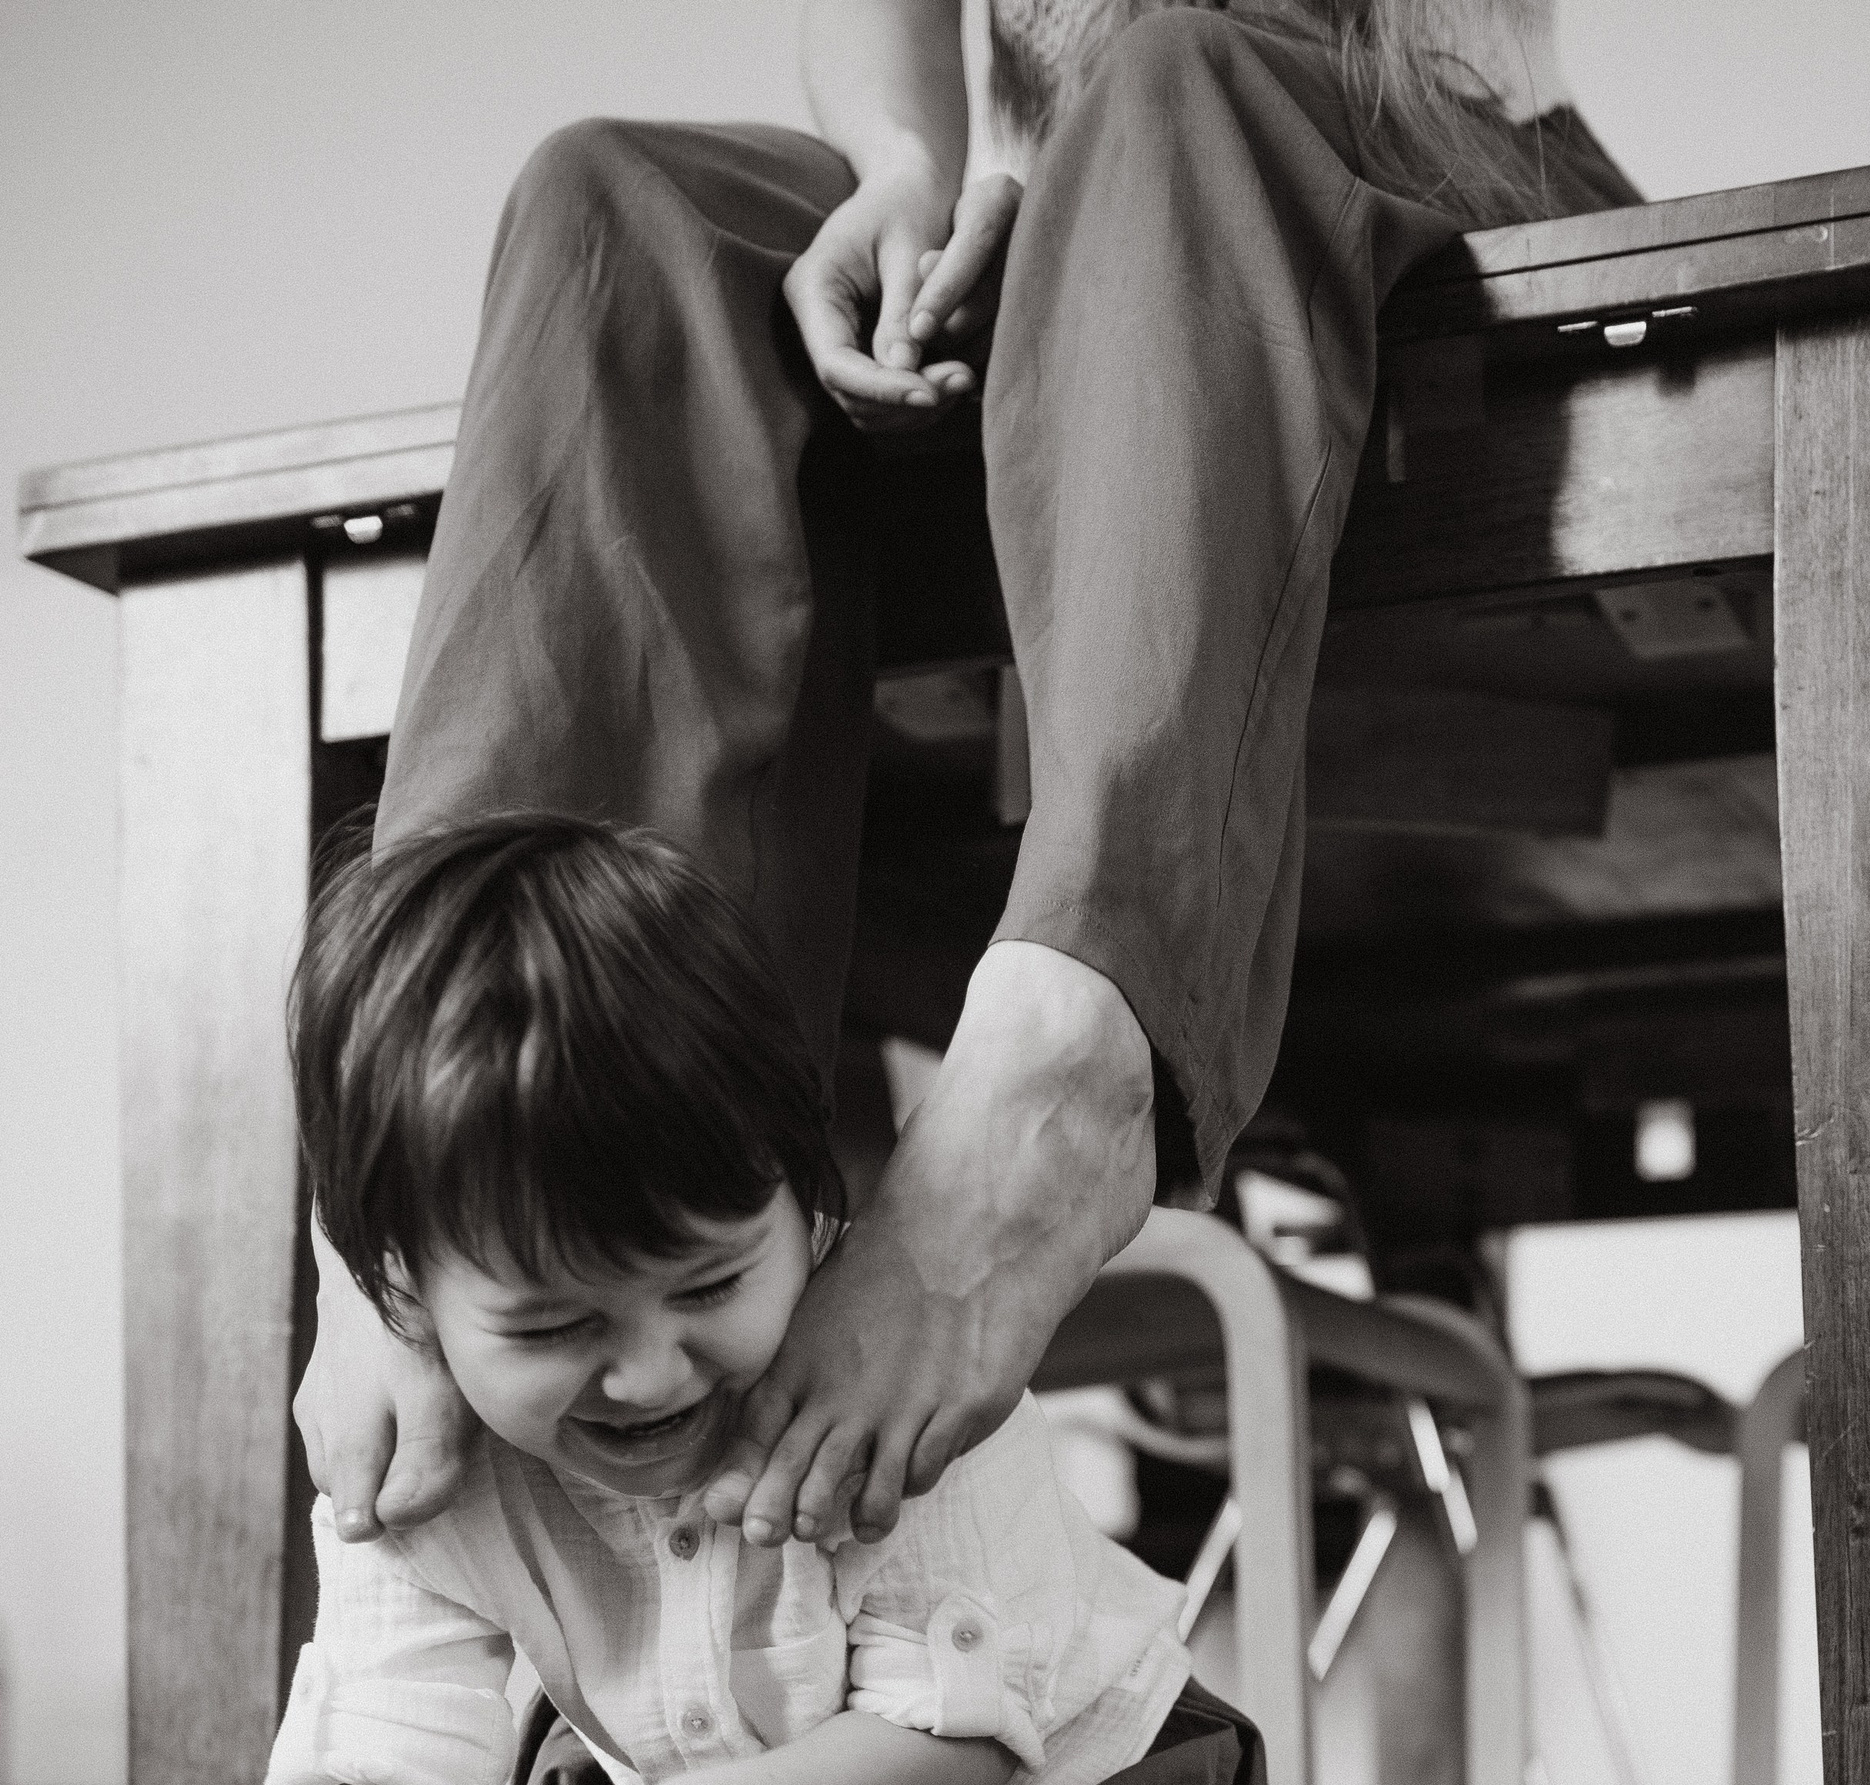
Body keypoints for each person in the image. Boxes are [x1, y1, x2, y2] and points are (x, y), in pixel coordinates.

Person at [295, 0, 1635, 1562]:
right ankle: (459, 1157)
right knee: (620, 208)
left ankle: (1070, 1051)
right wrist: (905, 173)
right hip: (1088, 221)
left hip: (1416, 143)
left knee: (1178, 74)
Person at [105, 819, 1337, 1785]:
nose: (650, 1374)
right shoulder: (426, 1471)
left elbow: (959, 1740)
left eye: (708, 1282)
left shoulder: (892, 1369)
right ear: (402, 1299)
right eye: (555, 1326)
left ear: (803, 1203)